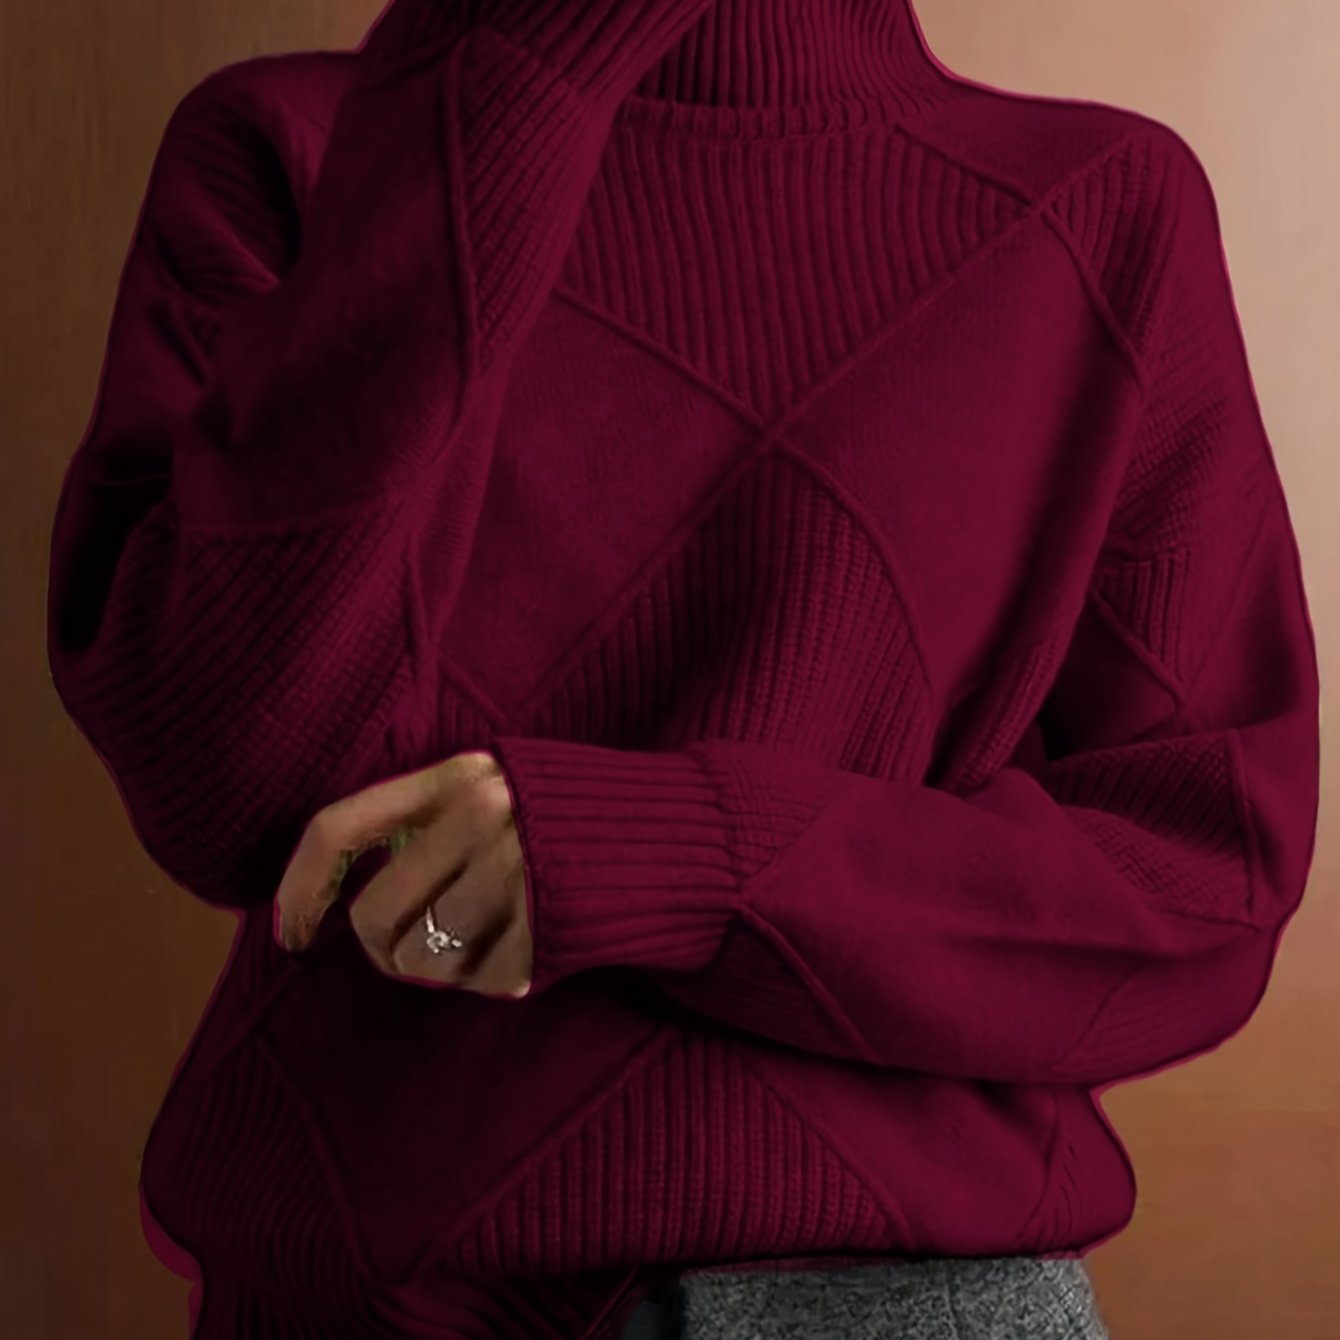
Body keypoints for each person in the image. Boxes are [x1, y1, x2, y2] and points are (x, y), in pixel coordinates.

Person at [46, 0, 1319, 1336]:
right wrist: (507, 81)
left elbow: (1205, 881)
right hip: (367, 1296)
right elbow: (226, 784)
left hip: (891, 1299)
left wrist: (679, 858)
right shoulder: (293, 147)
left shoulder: (1099, 207)